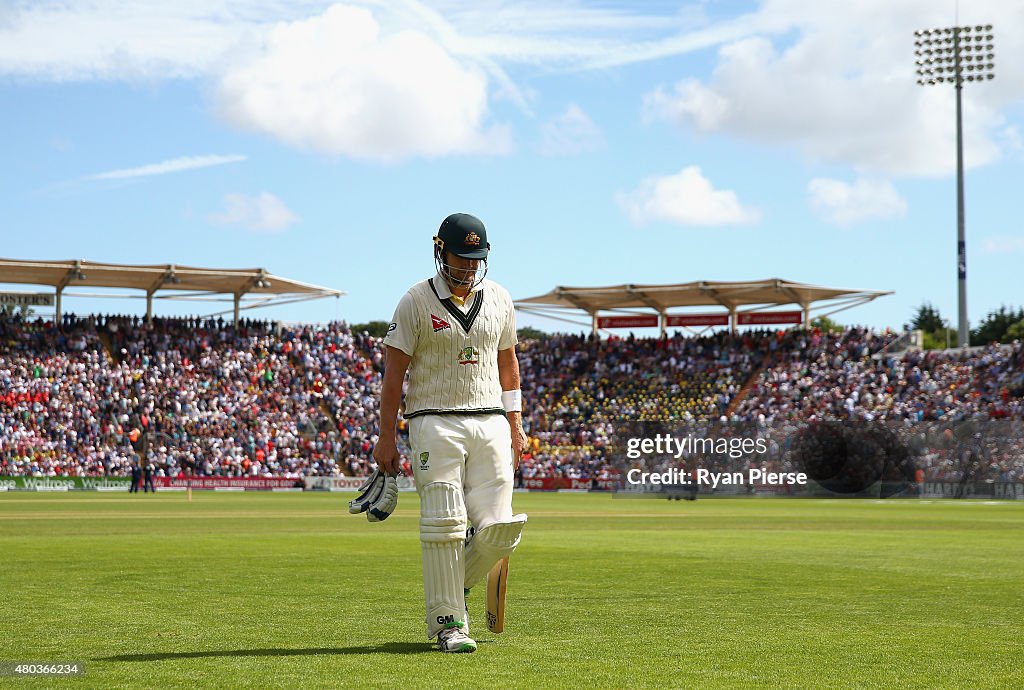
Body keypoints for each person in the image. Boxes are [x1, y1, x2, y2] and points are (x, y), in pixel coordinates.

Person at [374, 212, 528, 654]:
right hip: (433, 419)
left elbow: (509, 365)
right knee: (445, 522)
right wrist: (386, 436)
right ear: (441, 250)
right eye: (461, 258)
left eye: (475, 260)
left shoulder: (499, 298)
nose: (468, 268)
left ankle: (458, 581)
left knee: (501, 527)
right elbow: (393, 374)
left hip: (491, 420)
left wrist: (516, 424)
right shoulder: (415, 300)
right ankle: (448, 624)